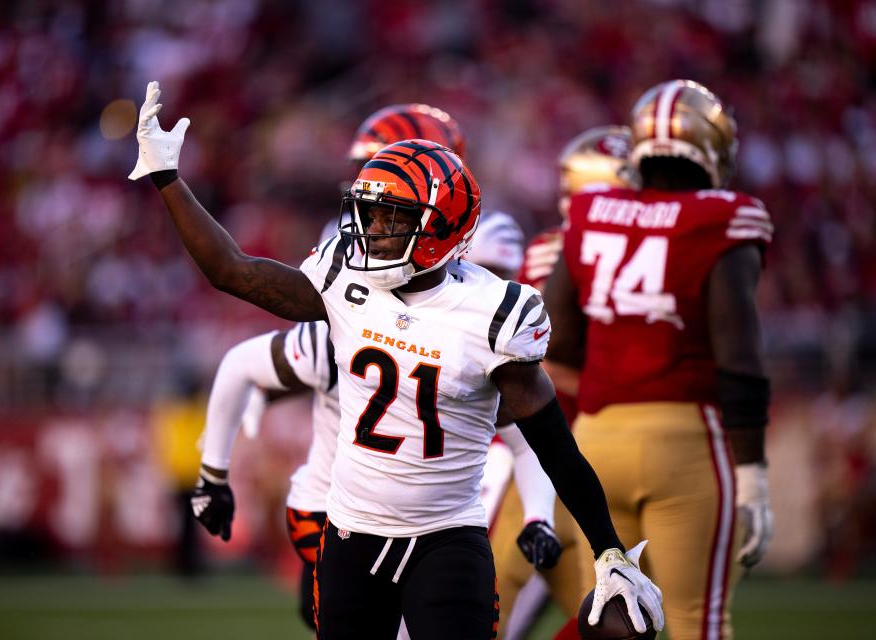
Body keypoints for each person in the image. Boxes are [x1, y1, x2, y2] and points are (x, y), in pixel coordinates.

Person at [129, 80, 663, 640]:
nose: (371, 230)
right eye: (367, 212)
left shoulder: (491, 309)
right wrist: (167, 178)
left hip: (446, 538)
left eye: (390, 217)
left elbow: (554, 443)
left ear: (440, 225)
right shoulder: (344, 276)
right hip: (349, 537)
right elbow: (232, 271)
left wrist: (609, 550)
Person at [190, 102, 481, 633]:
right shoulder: (356, 270)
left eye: (391, 192)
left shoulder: (469, 282)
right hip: (350, 510)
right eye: (367, 173)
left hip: (398, 502)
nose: (372, 198)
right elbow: (280, 333)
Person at [543, 79, 774, 640]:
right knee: (699, 623)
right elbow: (738, 356)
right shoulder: (723, 216)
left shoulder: (594, 209)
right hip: (685, 440)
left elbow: (556, 339)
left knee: (602, 623)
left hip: (595, 443)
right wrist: (753, 476)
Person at [495, 126, 634, 640]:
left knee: (493, 606)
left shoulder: (551, 247)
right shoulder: (575, 249)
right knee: (614, 611)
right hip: (579, 443)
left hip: (545, 446)